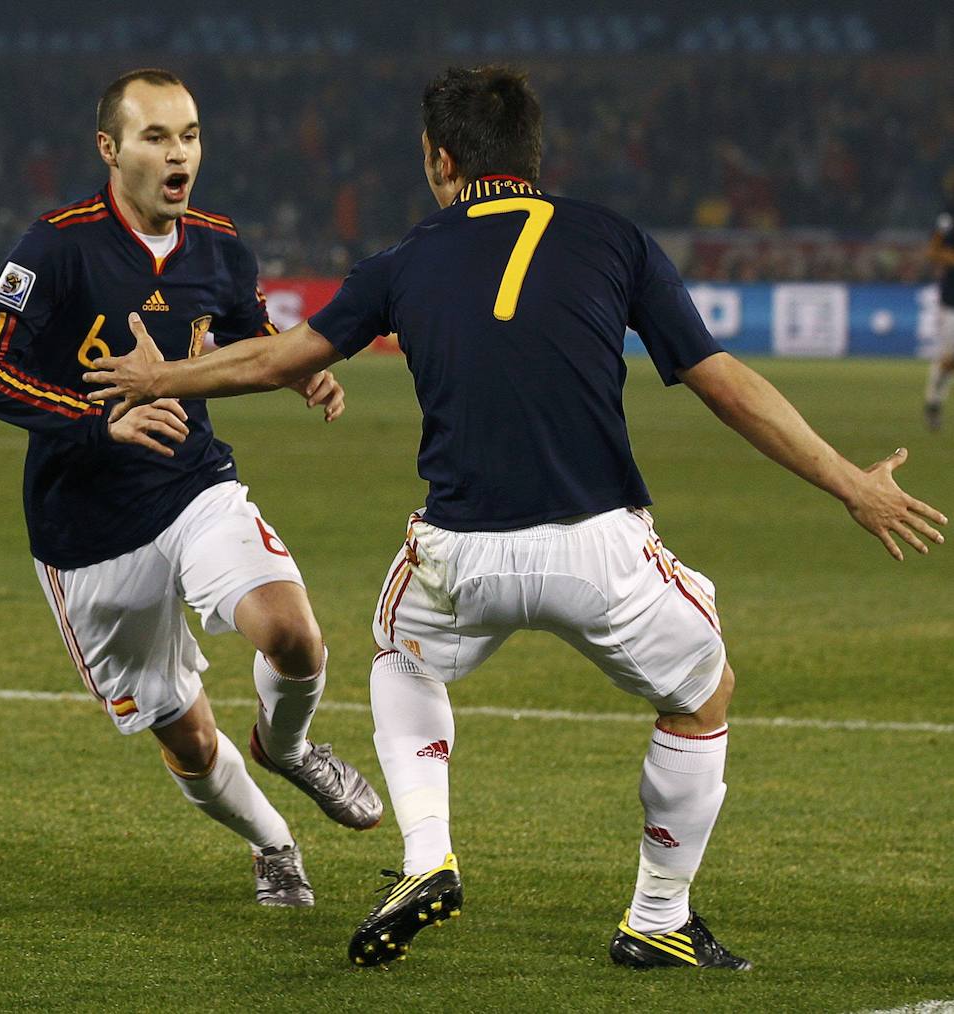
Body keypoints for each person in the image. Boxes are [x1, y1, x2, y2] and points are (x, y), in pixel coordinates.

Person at [84, 66, 947, 967]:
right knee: (703, 698)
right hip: (604, 551)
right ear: (535, 155)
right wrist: (851, 483)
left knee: (399, 654)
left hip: (460, 554)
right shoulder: (615, 241)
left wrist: (161, 378)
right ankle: (657, 916)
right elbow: (721, 382)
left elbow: (275, 360)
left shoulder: (404, 258)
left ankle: (427, 859)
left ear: (441, 160)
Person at [0, 69, 382, 908]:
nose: (178, 153)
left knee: (291, 634)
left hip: (192, 489)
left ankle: (288, 747)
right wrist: (93, 419)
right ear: (110, 150)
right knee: (183, 734)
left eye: (188, 135)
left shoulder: (220, 244)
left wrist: (299, 373)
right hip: (85, 531)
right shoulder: (57, 243)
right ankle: (273, 842)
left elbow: (249, 334)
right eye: (155, 136)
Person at [923, 169, 954, 432]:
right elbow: (932, 251)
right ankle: (933, 401)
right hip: (952, 299)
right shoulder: (948, 217)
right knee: (950, 358)